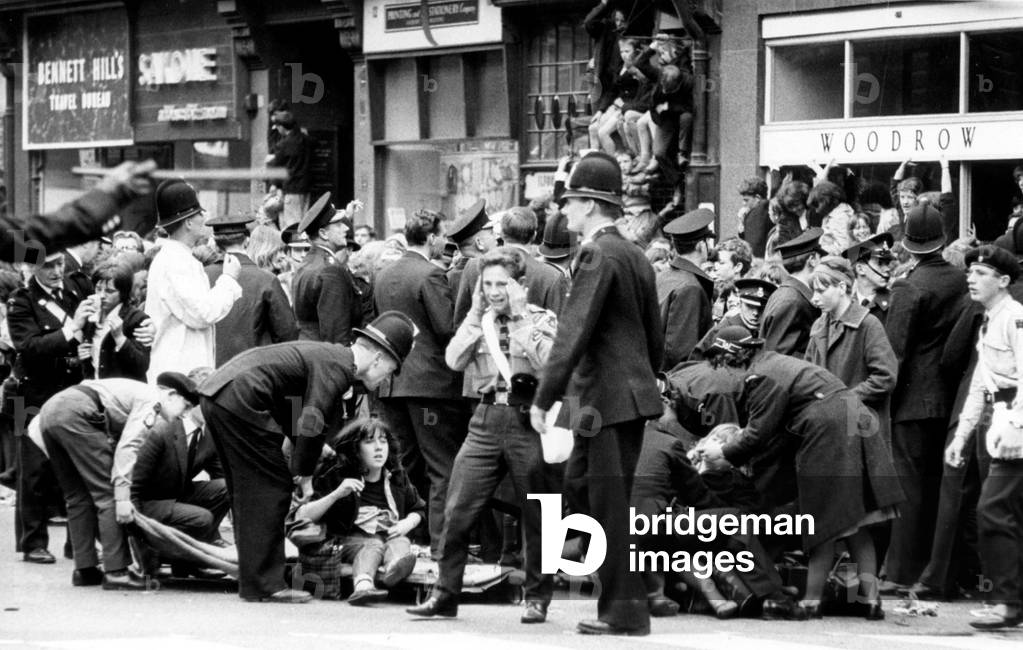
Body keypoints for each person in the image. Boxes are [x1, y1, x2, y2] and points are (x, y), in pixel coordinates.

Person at [530, 152, 663, 636]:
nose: (563, 212)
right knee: (584, 490)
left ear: (589, 204)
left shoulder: (595, 254)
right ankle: (614, 585)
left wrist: (544, 399)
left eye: (569, 202)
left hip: (604, 401)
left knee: (607, 505)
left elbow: (572, 332)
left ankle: (625, 611)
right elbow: (655, 334)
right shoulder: (634, 254)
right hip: (622, 398)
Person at [199, 311, 415, 603]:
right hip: (241, 398)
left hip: (221, 394)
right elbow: (313, 418)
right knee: (273, 486)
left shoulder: (330, 357)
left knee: (249, 491)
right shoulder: (339, 368)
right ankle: (267, 584)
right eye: (390, 370)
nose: (387, 378)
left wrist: (305, 445)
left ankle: (255, 582)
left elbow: (293, 402)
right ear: (377, 359)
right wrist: (307, 477)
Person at [700, 328, 903, 619]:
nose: (721, 373)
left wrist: (724, 454)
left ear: (732, 357)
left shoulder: (760, 377)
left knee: (822, 522)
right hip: (851, 421)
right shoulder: (774, 363)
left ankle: (811, 601)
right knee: (856, 524)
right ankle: (871, 602)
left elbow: (759, 433)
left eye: (720, 364)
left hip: (829, 431)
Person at [408, 247, 558, 623]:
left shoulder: (542, 318)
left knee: (539, 511)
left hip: (529, 420)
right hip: (486, 418)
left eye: (501, 284)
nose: (493, 291)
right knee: (458, 507)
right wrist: (475, 314)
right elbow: (454, 360)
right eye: (486, 284)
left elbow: (552, 363)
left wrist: (522, 317)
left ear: (520, 285)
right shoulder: (481, 320)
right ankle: (445, 593)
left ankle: (537, 597)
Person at [37, 371, 200, 589]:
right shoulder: (152, 401)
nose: (185, 415)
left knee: (77, 497)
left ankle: (85, 570)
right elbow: (128, 447)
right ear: (170, 395)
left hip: (50, 411)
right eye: (186, 406)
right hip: (78, 412)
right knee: (108, 493)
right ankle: (117, 571)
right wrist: (122, 496)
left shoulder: (135, 392)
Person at [882, 204, 968, 593]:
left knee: (909, 488)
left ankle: (900, 572)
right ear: (943, 239)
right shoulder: (962, 279)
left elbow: (895, 351)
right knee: (941, 488)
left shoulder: (908, 285)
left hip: (914, 399)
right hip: (951, 396)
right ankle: (939, 572)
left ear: (908, 245)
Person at [374, 209, 469, 560]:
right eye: (441, 235)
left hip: (391, 382)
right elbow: (446, 329)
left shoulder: (383, 273)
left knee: (404, 463)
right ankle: (441, 543)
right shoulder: (431, 274)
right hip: (429, 386)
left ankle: (405, 542)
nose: (444, 241)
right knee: (441, 465)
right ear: (431, 238)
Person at [944, 246, 1023, 629]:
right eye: (970, 271)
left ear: (1004, 281)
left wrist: (1017, 425)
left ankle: (1006, 603)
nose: (971, 278)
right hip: (998, 420)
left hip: (1014, 423)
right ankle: (1009, 602)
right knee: (1006, 512)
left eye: (982, 272)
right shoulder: (989, 319)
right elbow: (980, 385)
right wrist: (961, 436)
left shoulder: (1015, 318)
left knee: (994, 509)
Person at [295, 418, 424, 604]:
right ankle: (363, 586)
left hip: (387, 537)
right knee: (373, 545)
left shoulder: (396, 475)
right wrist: (336, 494)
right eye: (370, 441)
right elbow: (303, 515)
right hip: (345, 541)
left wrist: (407, 523)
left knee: (400, 541)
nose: (379, 448)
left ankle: (393, 569)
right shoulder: (336, 474)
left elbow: (418, 509)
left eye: (383, 440)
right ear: (355, 448)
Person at [144, 179, 241, 382]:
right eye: (199, 213)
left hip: (179, 369)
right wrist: (228, 279)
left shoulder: (176, 257)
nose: (204, 217)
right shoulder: (177, 262)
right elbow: (203, 313)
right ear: (188, 222)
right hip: (179, 372)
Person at [805, 256, 898, 456]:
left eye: (821, 291)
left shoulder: (868, 325)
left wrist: (844, 400)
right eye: (814, 291)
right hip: (826, 430)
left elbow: (885, 377)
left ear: (841, 287)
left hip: (862, 430)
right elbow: (807, 377)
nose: (814, 298)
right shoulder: (819, 326)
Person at [130, 368, 228, 549]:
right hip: (150, 502)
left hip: (177, 496)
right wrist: (137, 535)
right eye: (212, 401)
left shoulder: (210, 435)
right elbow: (133, 486)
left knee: (228, 487)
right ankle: (170, 552)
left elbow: (222, 477)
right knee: (201, 518)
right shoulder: (161, 429)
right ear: (192, 403)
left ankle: (201, 545)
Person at [204, 214, 297, 366]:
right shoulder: (266, 279)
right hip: (253, 373)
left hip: (210, 372)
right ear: (247, 241)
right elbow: (287, 334)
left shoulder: (203, 275)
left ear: (216, 243)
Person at [291, 193, 363, 345]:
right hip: (326, 357)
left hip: (308, 351)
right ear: (323, 234)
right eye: (338, 225)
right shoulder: (331, 270)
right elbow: (336, 334)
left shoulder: (307, 263)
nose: (345, 228)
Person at [657, 207, 715, 370]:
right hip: (675, 384)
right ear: (700, 245)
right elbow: (681, 353)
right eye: (707, 241)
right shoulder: (690, 287)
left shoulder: (664, 276)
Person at [81, 259, 150, 381]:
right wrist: (83, 356)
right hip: (97, 387)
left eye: (109, 291)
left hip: (123, 392)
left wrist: (120, 338)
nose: (102, 296)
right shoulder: (90, 315)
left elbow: (142, 365)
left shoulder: (137, 319)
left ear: (123, 293)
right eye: (98, 289)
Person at [759, 228, 823, 357]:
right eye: (820, 257)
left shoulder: (789, 294)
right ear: (812, 259)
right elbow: (778, 359)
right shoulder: (792, 300)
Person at [691, 278, 776, 360]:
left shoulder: (768, 329)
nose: (755, 313)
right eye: (750, 306)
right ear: (740, 304)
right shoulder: (723, 330)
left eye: (761, 308)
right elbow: (697, 358)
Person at [446, 200, 497, 310]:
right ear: (479, 243)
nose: (496, 238)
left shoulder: (447, 277)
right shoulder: (489, 274)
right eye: (491, 233)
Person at [265, 110, 312, 230]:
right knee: (303, 221)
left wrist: (270, 160)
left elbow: (276, 165)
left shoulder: (284, 144)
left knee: (292, 225)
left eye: (278, 127)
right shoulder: (306, 139)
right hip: (305, 187)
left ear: (282, 127)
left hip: (291, 189)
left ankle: (293, 248)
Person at [843, 233, 896, 326]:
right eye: (880, 264)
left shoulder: (894, 303)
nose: (887, 269)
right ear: (860, 269)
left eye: (887, 263)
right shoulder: (846, 305)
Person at [738, 177, 771, 259]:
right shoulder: (768, 210)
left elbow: (753, 246)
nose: (743, 203)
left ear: (757, 198)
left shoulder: (756, 214)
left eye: (746, 200)